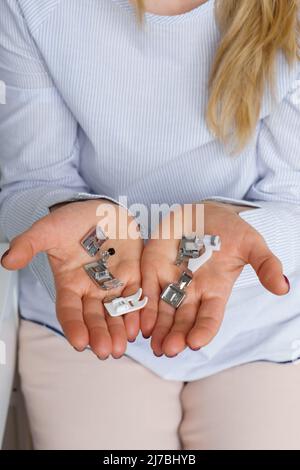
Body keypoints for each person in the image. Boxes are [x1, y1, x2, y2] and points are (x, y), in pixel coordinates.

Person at [0, 0, 300, 450]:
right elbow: (29, 182)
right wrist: (62, 212)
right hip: (88, 313)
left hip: (260, 326)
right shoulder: (34, 7)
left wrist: (254, 234)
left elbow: (292, 197)